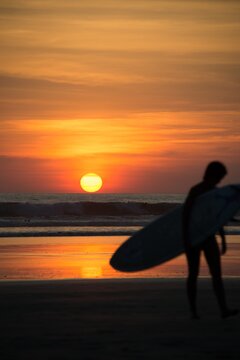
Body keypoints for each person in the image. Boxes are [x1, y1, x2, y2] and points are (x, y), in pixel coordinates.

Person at [182, 161, 238, 319]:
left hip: (208, 237)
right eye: (220, 176)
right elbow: (185, 214)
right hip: (194, 238)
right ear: (213, 174)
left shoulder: (215, 192)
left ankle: (223, 310)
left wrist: (223, 239)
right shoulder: (196, 190)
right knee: (193, 274)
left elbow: (217, 218)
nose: (221, 180)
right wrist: (186, 238)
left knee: (216, 274)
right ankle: (193, 312)